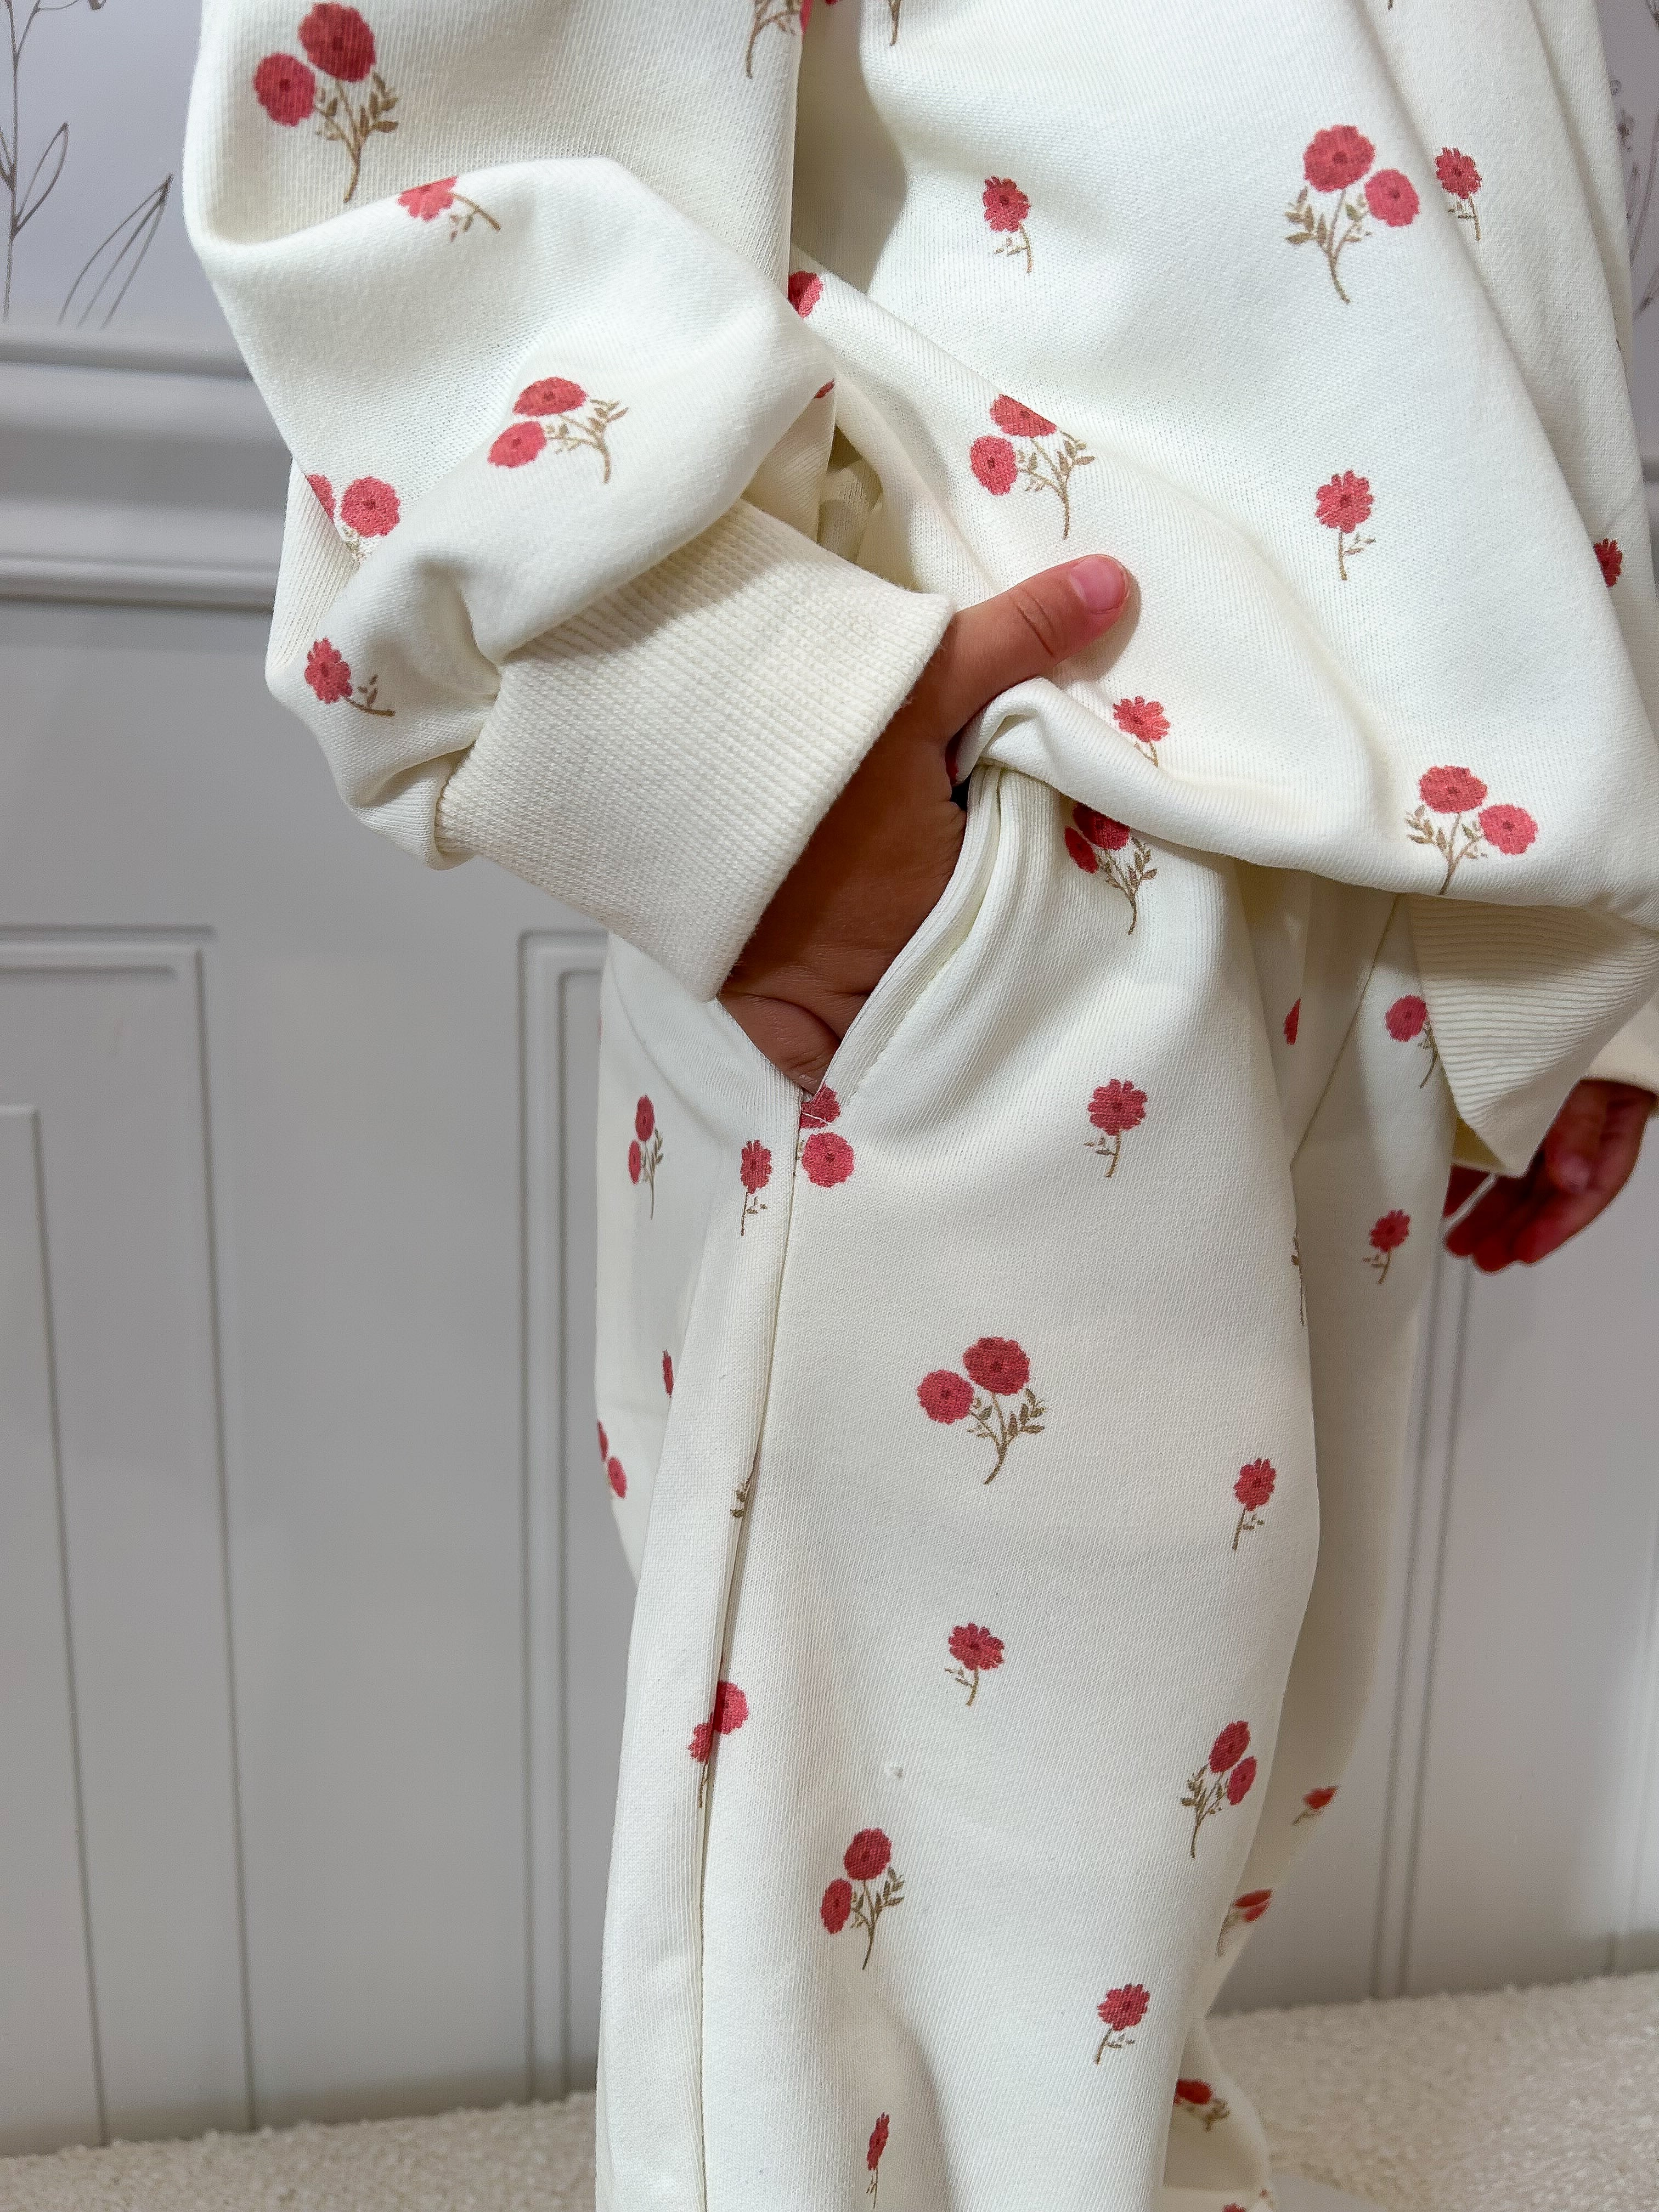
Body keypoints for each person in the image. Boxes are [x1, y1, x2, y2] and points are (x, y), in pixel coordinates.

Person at [185, 3, 1659, 2203]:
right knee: (868, 1938)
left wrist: (1568, 948)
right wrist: (718, 717)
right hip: (1023, 793)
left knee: (1161, 1850)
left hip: (1362, 841)